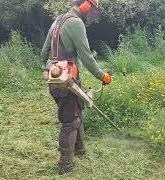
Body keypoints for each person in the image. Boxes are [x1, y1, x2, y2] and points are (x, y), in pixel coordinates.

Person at [41, 0, 112, 175]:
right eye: (93, 11)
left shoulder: (57, 21)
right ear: (86, 7)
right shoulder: (76, 22)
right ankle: (65, 166)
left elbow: (44, 53)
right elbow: (87, 57)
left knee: (76, 111)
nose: (92, 15)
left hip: (56, 79)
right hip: (68, 81)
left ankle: (79, 149)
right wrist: (103, 76)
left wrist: (49, 68)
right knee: (70, 121)